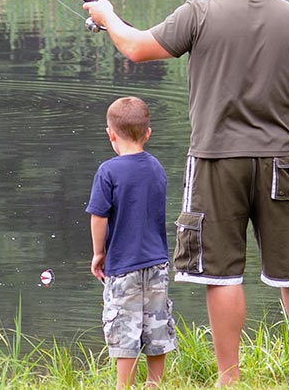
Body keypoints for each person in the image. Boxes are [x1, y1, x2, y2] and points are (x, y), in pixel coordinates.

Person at [83, 0, 289, 387]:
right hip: (280, 160)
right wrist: (269, 104)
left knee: (221, 276)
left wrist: (106, 15)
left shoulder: (200, 13)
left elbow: (137, 48)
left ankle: (228, 378)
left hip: (217, 160)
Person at [87, 96, 177, 389]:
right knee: (156, 324)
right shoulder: (156, 167)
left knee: (124, 327)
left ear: (110, 133)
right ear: (148, 133)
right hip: (157, 263)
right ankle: (154, 383)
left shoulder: (108, 171)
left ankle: (123, 386)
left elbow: (99, 217)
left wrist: (98, 253)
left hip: (122, 265)